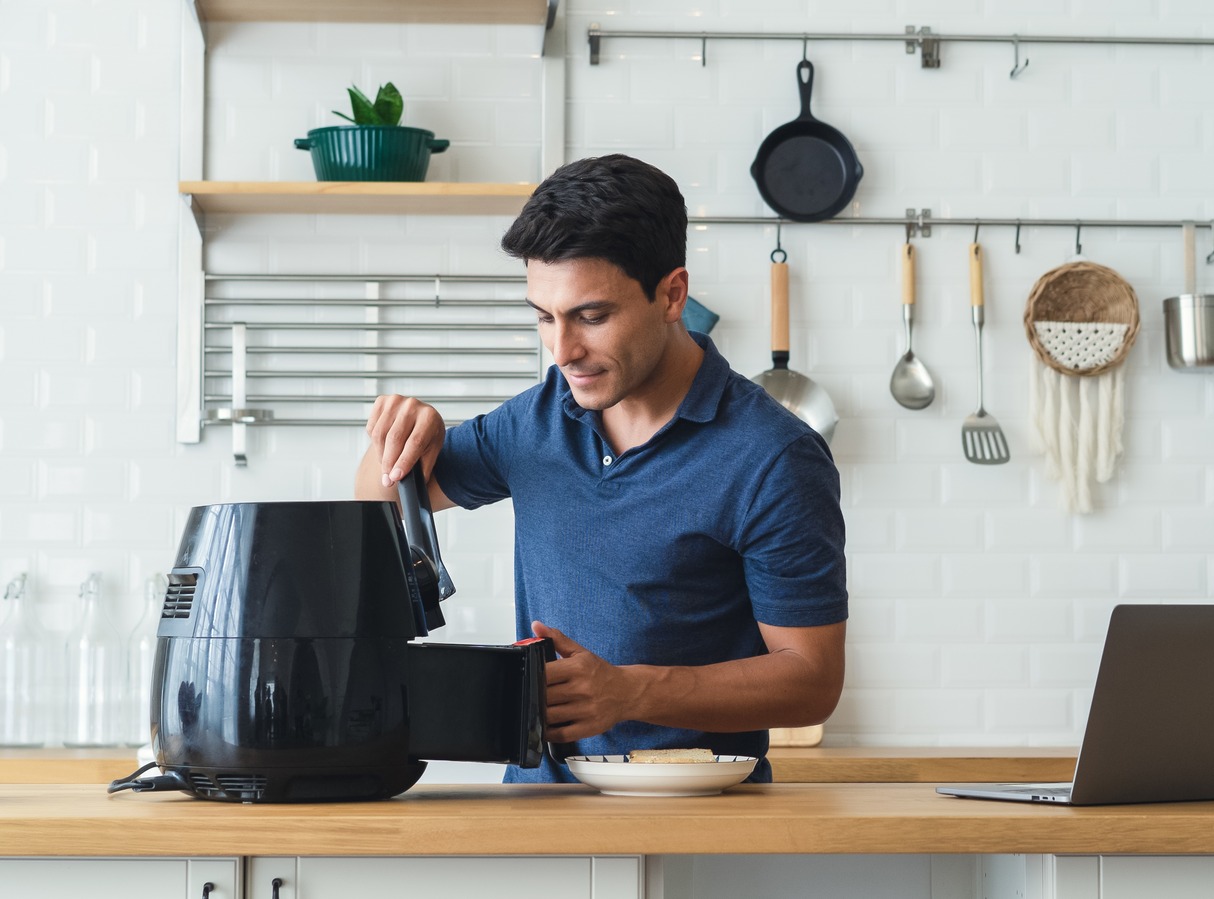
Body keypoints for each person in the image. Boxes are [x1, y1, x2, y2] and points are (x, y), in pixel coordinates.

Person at [355, 154, 848, 783]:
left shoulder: (774, 456)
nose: (563, 351)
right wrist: (397, 437)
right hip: (539, 825)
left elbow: (811, 680)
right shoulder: (536, 421)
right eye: (543, 316)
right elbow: (379, 504)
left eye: (592, 317)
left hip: (697, 823)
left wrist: (632, 692)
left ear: (672, 295)